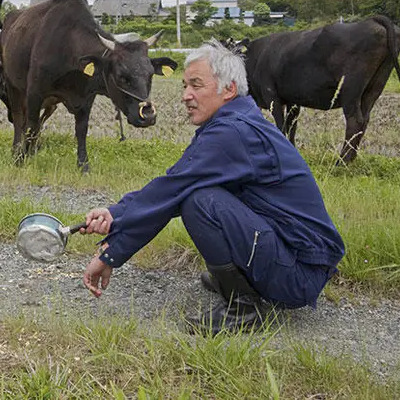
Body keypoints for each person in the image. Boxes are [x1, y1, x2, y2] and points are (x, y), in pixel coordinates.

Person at [80, 39, 345, 333]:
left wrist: (111, 248)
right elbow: (174, 182)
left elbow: (173, 189)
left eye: (196, 85)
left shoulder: (233, 133)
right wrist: (114, 217)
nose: (185, 96)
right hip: (295, 261)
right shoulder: (235, 121)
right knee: (196, 192)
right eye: (184, 86)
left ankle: (243, 308)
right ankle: (240, 280)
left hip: (298, 274)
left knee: (199, 201)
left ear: (228, 89)